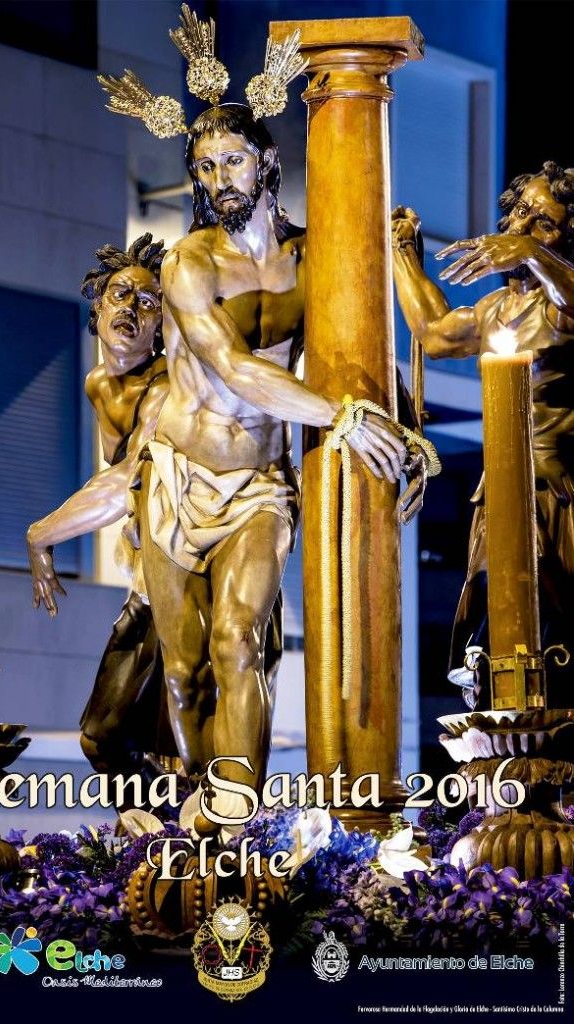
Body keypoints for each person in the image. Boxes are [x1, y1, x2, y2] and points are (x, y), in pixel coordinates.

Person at [135, 103, 423, 792]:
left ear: (266, 161)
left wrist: (403, 427)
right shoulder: (189, 261)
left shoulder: (314, 253)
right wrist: (341, 417)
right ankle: (196, 804)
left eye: (232, 160)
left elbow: (363, 350)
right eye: (204, 167)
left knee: (238, 641)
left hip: (260, 480)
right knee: (181, 668)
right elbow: (232, 368)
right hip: (179, 473)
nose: (218, 178)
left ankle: (236, 816)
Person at [392, 161, 574, 708]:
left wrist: (534, 256)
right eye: (520, 212)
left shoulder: (560, 306)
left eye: (543, 223)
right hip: (500, 488)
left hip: (561, 491)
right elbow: (434, 334)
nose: (521, 226)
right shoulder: (497, 309)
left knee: (558, 617)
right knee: (498, 612)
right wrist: (402, 252)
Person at [27, 234, 174, 775]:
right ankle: (154, 841)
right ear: (97, 305)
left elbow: (127, 478)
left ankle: (174, 842)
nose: (131, 310)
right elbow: (115, 483)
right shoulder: (98, 384)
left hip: (184, 568)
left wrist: (41, 535)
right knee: (108, 736)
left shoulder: (164, 387)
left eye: (148, 301)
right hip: (146, 568)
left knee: (129, 739)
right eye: (120, 295)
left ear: (164, 323)